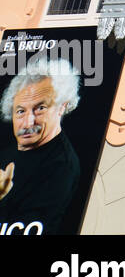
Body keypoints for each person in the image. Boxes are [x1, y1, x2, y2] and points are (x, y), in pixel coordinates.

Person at [0, 55, 82, 233]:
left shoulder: (61, 166)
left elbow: (27, 227)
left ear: (62, 107)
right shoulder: (7, 154)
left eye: (40, 108)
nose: (28, 122)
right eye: (20, 111)